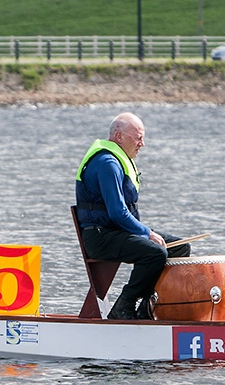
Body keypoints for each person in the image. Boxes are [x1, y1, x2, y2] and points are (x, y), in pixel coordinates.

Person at [75, 112, 190, 320]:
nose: (142, 144)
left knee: (180, 247)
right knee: (155, 253)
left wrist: (146, 234)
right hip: (100, 237)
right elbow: (117, 213)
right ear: (119, 136)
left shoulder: (118, 160)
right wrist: (147, 233)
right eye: (138, 138)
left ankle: (147, 306)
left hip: (117, 232)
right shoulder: (107, 164)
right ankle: (124, 305)